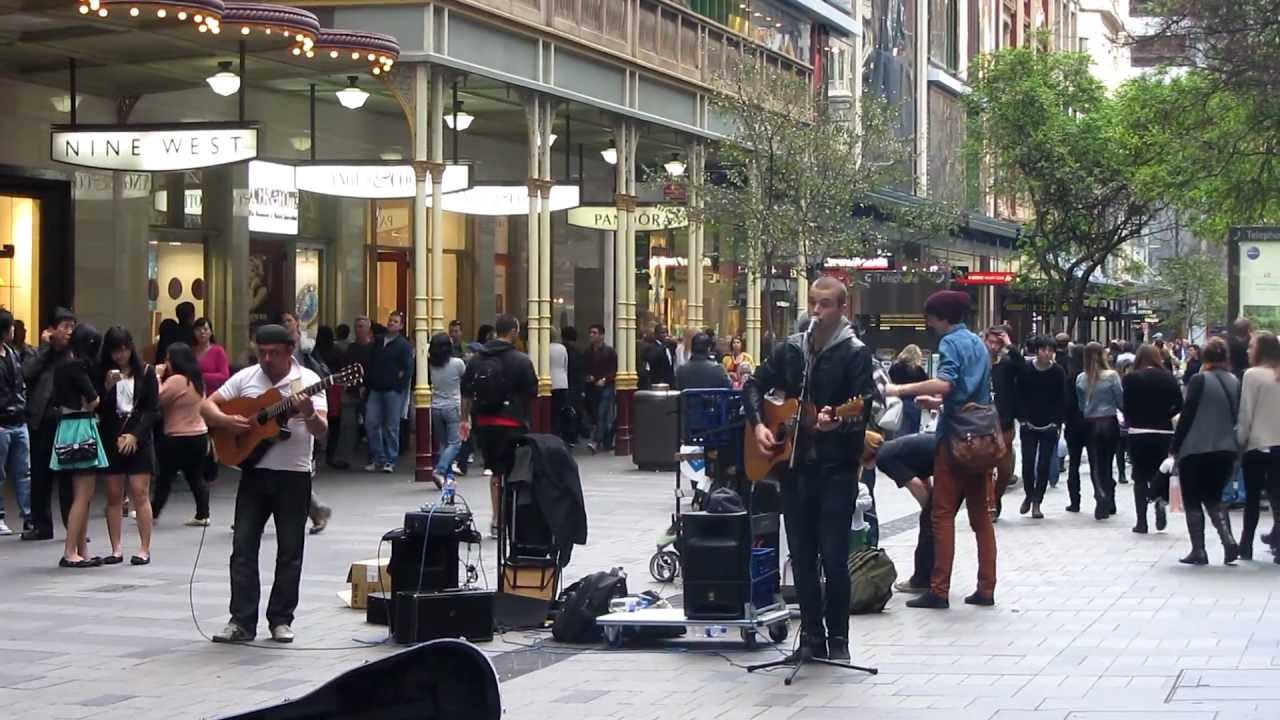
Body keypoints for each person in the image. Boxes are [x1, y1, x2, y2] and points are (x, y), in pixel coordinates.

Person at [744, 277, 875, 660]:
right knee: (800, 555)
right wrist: (761, 426)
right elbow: (753, 385)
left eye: (826, 305)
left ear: (841, 309)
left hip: (836, 467)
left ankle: (839, 640)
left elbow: (864, 406)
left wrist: (840, 421)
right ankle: (811, 638)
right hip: (794, 467)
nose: (817, 312)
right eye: (813, 304)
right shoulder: (792, 351)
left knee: (833, 556)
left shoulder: (855, 353)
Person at [203, 323, 328, 644]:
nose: (267, 359)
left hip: (295, 476)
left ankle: (281, 620)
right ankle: (241, 621)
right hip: (255, 474)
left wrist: (309, 413)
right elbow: (206, 405)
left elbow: (321, 430)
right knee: (243, 548)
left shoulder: (309, 381)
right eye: (262, 352)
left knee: (290, 551)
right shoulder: (246, 377)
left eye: (274, 353)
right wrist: (226, 421)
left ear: (290, 351)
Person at [885, 290, 998, 610]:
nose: (929, 323)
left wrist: (903, 389)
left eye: (931, 317)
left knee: (942, 514)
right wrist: (937, 402)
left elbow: (947, 383)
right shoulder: (978, 342)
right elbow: (968, 389)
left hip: (955, 438)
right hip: (982, 439)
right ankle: (986, 587)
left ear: (942, 317)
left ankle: (939, 588)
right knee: (981, 518)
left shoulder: (950, 342)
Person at [462, 314, 538, 539]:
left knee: (495, 472)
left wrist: (464, 418)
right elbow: (532, 393)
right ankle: (512, 517)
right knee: (515, 471)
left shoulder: (476, 359)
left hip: (485, 422)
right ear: (513, 332)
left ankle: (497, 519)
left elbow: (466, 391)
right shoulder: (521, 360)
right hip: (512, 422)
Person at [1170, 336, 1241, 566]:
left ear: (1205, 356)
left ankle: (1199, 550)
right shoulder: (1234, 381)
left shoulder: (1200, 380)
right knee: (1214, 496)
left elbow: (1187, 416)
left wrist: (1175, 446)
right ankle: (1227, 538)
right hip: (1226, 448)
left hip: (1196, 448)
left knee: (1192, 500)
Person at [98, 327, 159, 564]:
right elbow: (99, 409)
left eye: (124, 349)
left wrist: (135, 435)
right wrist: (105, 388)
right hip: (112, 436)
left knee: (139, 491)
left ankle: (144, 547)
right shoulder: (105, 373)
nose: (121, 355)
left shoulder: (146, 372)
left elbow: (153, 410)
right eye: (116, 351)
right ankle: (116, 547)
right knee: (114, 494)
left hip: (139, 438)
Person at [20, 308, 78, 541]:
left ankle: (73, 526)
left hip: (65, 420)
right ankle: (41, 525)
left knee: (68, 477)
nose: (69, 332)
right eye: (64, 327)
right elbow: (26, 373)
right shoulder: (39, 353)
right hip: (41, 420)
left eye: (72, 327)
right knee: (40, 476)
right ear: (51, 330)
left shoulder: (73, 355)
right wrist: (45, 348)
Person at [53, 324, 108, 567]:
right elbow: (94, 399)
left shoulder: (62, 365)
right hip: (80, 428)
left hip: (68, 427)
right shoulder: (77, 367)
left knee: (83, 494)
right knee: (83, 494)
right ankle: (70, 551)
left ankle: (81, 549)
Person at [1122, 344, 1182, 534]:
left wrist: (1133, 418)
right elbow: (1179, 405)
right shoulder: (1169, 378)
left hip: (1139, 432)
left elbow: (1127, 406)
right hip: (1163, 433)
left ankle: (1141, 522)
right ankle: (1160, 503)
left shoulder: (1131, 379)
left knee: (1139, 477)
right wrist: (1166, 415)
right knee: (1160, 473)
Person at [153, 342, 212, 527]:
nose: (166, 363)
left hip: (177, 436)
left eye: (168, 359)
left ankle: (153, 511)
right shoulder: (196, 380)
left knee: (165, 477)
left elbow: (156, 397)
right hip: (199, 434)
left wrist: (156, 375)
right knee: (195, 475)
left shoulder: (176, 380)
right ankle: (203, 514)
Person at [875, 431, 940, 594]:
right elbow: (922, 472)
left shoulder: (883, 458)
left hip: (949, 462)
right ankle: (934, 577)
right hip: (952, 453)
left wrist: (927, 509)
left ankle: (921, 580)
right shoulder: (895, 447)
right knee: (933, 523)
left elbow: (915, 484)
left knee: (929, 525)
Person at [1235, 331, 1280, 562]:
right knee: (1277, 497)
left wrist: (1240, 440)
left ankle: (1246, 544)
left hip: (1257, 444)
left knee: (1252, 498)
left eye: (1251, 346)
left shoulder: (1252, 375)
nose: (1248, 349)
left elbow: (1246, 413)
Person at [1016, 335, 1066, 520]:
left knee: (1044, 464)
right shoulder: (1026, 370)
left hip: (1049, 424)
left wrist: (1057, 422)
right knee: (1028, 463)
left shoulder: (1058, 372)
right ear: (1036, 351)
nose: (1047, 353)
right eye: (1043, 349)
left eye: (1050, 350)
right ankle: (1029, 494)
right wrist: (1022, 418)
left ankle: (1038, 501)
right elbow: (1018, 394)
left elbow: (1062, 398)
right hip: (1028, 423)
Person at [1077, 342, 1123, 520]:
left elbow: (1081, 405)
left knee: (1095, 463)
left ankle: (1100, 494)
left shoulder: (1081, 378)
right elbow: (1120, 400)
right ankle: (1110, 499)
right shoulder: (1112, 376)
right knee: (1108, 463)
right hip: (1109, 421)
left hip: (1090, 422)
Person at [364, 311, 415, 473]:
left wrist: (399, 385)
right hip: (376, 388)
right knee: (371, 423)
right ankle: (378, 458)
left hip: (393, 390)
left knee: (391, 426)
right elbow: (370, 362)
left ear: (401, 326)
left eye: (395, 321)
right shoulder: (378, 342)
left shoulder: (404, 345)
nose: (391, 323)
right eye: (390, 320)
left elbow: (408, 369)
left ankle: (390, 459)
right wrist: (368, 382)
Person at [985, 326, 1020, 520]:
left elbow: (1021, 366)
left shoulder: (1006, 364)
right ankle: (990, 506)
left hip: (1004, 422)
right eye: (990, 342)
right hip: (982, 423)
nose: (993, 346)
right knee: (987, 467)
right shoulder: (979, 363)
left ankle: (996, 497)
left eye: (998, 343)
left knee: (1005, 470)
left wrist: (1010, 345)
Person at [0, 310, 30, 536]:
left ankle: (28, 515)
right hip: (2, 420)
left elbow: (21, 383)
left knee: (23, 471)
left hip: (18, 419)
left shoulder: (13, 353)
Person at [428, 332, 466, 488]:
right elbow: (465, 381)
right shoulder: (457, 363)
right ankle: (441, 470)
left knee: (445, 444)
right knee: (455, 443)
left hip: (436, 406)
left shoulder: (430, 364)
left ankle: (448, 478)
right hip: (453, 405)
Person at [583, 324, 618, 454]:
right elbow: (584, 368)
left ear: (602, 336)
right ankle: (607, 441)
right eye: (590, 333)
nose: (591, 335)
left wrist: (605, 379)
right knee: (597, 414)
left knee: (602, 412)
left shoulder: (609, 352)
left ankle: (596, 441)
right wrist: (588, 377)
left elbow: (614, 370)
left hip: (606, 386)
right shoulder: (587, 352)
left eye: (594, 333)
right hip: (592, 387)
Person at [889, 345, 928, 436]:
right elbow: (926, 385)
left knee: (899, 430)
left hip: (897, 401)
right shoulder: (918, 370)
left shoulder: (894, 367)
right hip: (913, 402)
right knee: (913, 433)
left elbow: (889, 382)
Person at [548, 327, 574, 447]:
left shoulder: (543, 348)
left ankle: (553, 435)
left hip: (550, 382)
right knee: (560, 411)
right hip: (562, 382)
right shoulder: (562, 348)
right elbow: (565, 365)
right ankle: (561, 436)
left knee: (552, 413)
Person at [193, 318, 231, 395]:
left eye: (205, 329)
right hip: (193, 394)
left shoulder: (218, 351)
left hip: (213, 395)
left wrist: (201, 376)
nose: (202, 332)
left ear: (211, 332)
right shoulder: (190, 351)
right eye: (198, 330)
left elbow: (224, 376)